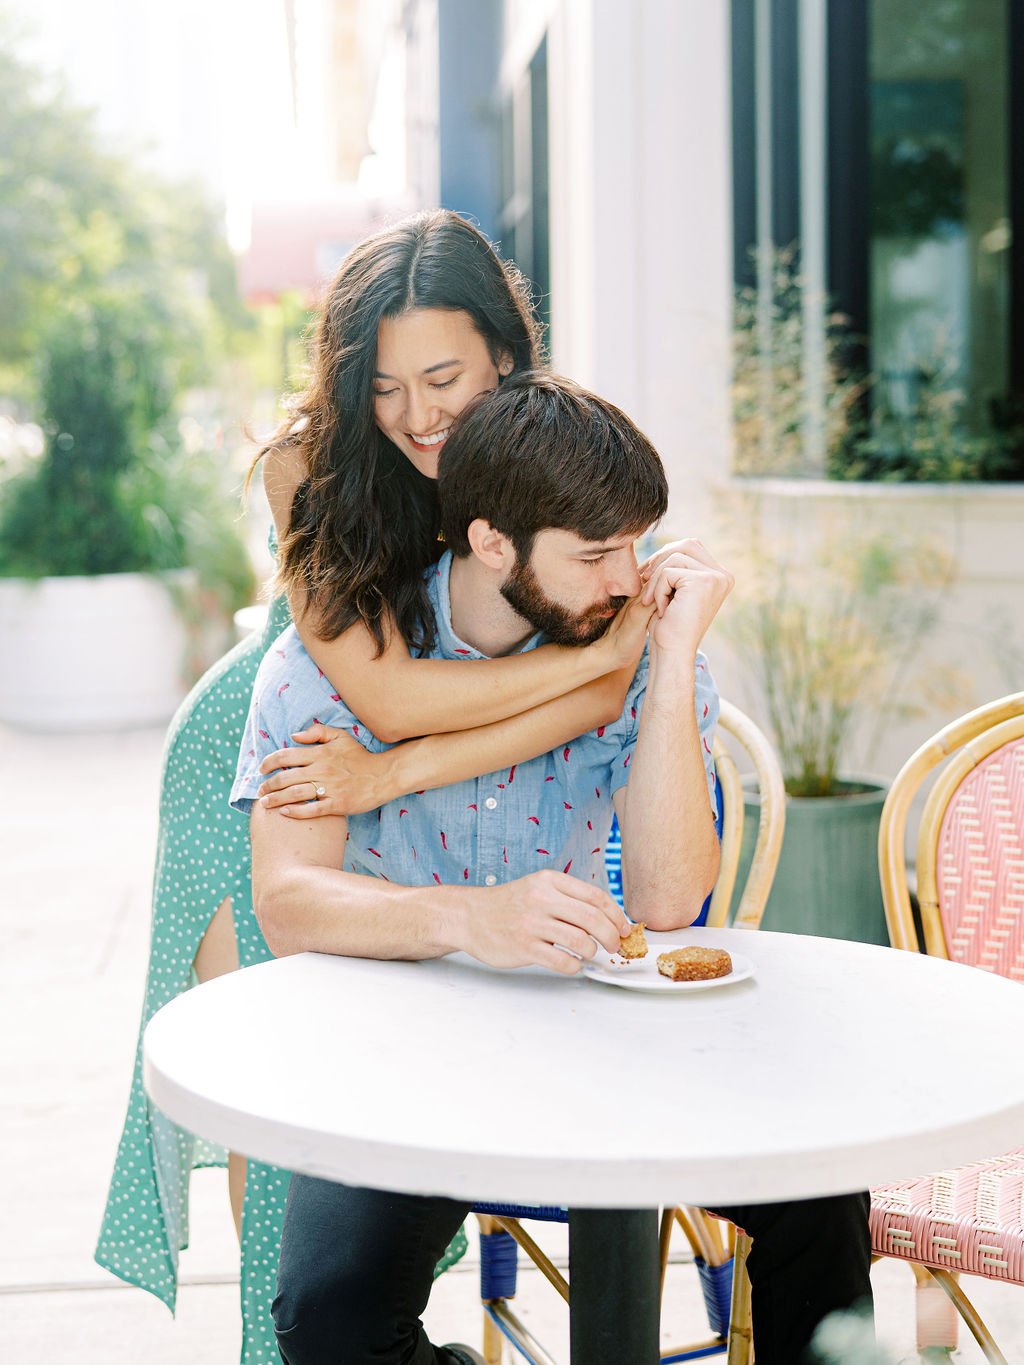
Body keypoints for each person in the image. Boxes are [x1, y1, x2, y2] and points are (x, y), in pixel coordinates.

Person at [94, 212, 652, 1364]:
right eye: (385, 386)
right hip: (288, 759)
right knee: (291, 1101)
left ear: (506, 352)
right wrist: (594, 660)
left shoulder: (547, 456)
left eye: (443, 376)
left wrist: (600, 677)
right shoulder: (305, 465)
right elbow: (388, 696)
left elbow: (598, 705)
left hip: (398, 766)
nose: (417, 415)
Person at [231, 373, 873, 1365]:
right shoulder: (334, 662)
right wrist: (467, 920)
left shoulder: (629, 638)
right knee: (329, 1313)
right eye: (597, 555)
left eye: (636, 544)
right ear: (491, 542)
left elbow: (665, 900)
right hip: (398, 1047)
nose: (630, 578)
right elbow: (289, 903)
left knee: (822, 1198)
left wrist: (666, 668)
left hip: (590, 1033)